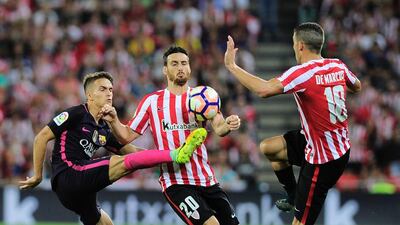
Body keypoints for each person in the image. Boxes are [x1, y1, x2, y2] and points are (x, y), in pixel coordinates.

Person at [19, 71, 207, 225]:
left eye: (111, 89)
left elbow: (132, 152)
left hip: (81, 193)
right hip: (69, 175)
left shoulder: (104, 128)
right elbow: (41, 137)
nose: (109, 93)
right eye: (103, 89)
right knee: (122, 163)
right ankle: (177, 154)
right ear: (90, 95)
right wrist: (37, 175)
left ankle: (175, 154)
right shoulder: (75, 114)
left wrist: (165, 160)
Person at [224, 22, 361, 225]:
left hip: (324, 159)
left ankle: (299, 198)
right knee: (269, 148)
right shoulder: (337, 65)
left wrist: (232, 66)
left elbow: (264, 90)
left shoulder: (303, 73)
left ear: (300, 46)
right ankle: (294, 194)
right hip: (325, 143)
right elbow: (356, 86)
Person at [98, 46, 241, 225]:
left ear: (189, 68)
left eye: (184, 63)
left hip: (207, 179)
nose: (180, 67)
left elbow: (219, 128)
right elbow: (126, 136)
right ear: (165, 69)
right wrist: (113, 121)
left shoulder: (202, 96)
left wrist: (228, 124)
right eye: (174, 64)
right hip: (176, 182)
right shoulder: (152, 102)